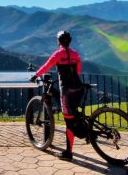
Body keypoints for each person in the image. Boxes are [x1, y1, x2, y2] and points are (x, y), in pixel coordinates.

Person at [29, 30, 84, 161]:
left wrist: (35, 75)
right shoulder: (76, 54)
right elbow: (78, 70)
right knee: (74, 115)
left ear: (58, 41)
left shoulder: (58, 54)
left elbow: (46, 66)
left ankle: (68, 153)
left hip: (66, 90)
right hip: (78, 88)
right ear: (69, 41)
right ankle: (83, 132)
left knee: (68, 121)